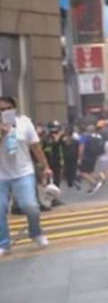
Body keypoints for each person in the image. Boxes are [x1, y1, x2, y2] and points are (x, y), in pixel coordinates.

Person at [0, 94, 52, 256]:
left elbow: (36, 147)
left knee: (30, 206)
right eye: (1, 110)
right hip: (1, 175)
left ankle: (36, 232)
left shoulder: (25, 122)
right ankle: (4, 243)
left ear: (14, 109)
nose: (5, 112)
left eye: (8, 108)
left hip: (24, 172)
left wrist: (46, 167)